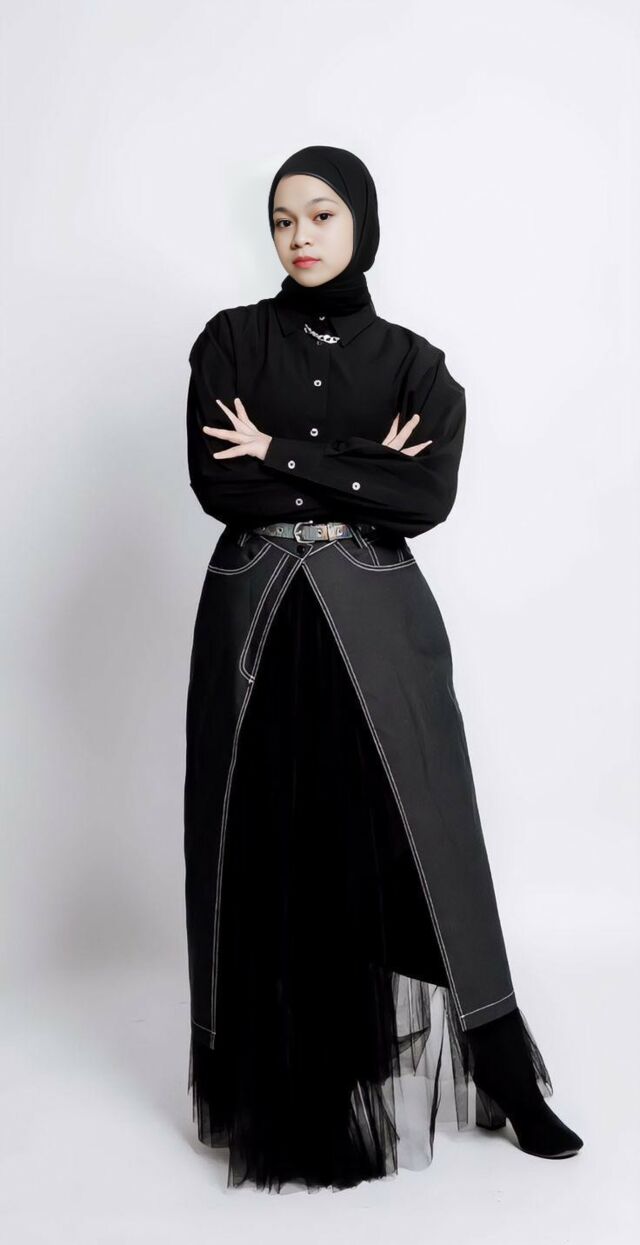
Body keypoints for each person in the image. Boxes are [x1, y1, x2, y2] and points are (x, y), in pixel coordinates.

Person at [183, 144, 584, 1193]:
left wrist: (280, 452)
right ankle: (269, 1072)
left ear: (360, 221)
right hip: (257, 619)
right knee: (261, 833)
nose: (301, 236)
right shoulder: (229, 343)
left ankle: (506, 1073)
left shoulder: (415, 365)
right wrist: (362, 472)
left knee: (429, 828)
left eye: (321, 215)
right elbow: (219, 488)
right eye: (283, 219)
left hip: (376, 614)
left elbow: (425, 499)